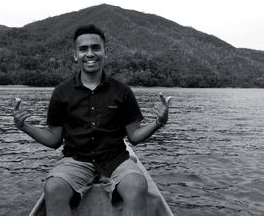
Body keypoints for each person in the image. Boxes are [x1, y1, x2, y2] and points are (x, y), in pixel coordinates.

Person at [13, 25, 171, 216]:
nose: (90, 53)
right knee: (53, 187)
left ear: (105, 53)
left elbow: (134, 136)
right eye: (83, 49)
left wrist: (159, 121)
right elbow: (54, 139)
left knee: (137, 184)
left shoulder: (122, 91)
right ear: (75, 55)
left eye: (96, 48)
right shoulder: (62, 92)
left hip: (116, 159)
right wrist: (24, 126)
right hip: (76, 160)